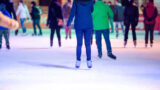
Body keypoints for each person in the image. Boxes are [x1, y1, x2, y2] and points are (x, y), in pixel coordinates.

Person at [66, 0, 93, 68]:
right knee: (88, 44)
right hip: (88, 24)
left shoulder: (76, 1)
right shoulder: (90, 1)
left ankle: (78, 61)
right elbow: (92, 10)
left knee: (79, 44)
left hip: (79, 24)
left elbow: (72, 13)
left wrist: (68, 23)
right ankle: (89, 61)